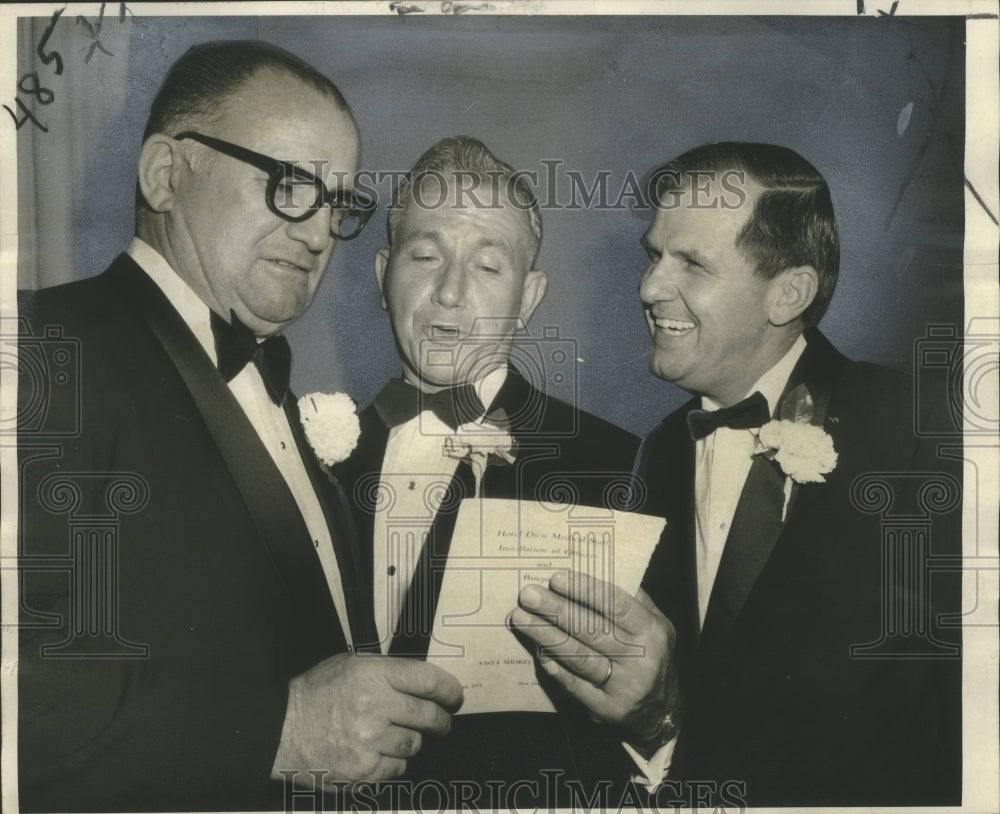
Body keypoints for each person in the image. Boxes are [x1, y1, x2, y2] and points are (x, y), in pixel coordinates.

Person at [16, 41, 463, 813]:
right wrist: (280, 729)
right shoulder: (42, 349)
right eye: (290, 184)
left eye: (339, 203)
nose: (320, 233)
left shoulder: (271, 385)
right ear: (166, 173)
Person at [509, 142, 961, 807]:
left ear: (788, 293)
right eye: (653, 255)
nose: (649, 287)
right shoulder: (660, 451)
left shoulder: (923, 434)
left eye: (691, 262)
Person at [332, 135, 640, 806]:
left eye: (488, 266)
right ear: (383, 274)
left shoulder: (620, 468)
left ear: (529, 298)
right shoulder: (311, 458)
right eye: (424, 256)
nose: (449, 293)